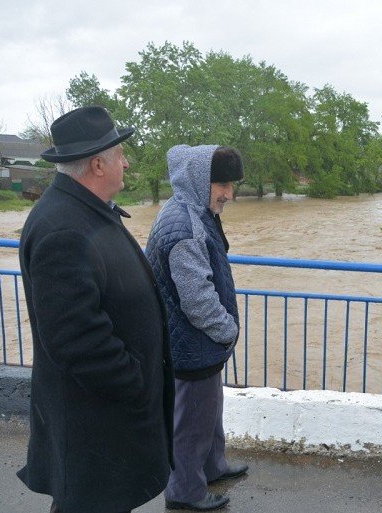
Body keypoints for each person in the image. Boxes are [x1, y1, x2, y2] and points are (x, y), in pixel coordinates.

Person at [17, 106, 174, 513]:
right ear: (99, 164)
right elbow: (75, 338)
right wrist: (134, 383)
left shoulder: (84, 209)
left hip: (106, 418)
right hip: (96, 423)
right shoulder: (63, 229)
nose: (127, 161)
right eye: (121, 154)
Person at [146, 144, 248, 512]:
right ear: (198, 179)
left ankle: (213, 465)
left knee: (209, 408)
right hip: (193, 343)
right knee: (191, 420)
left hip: (195, 343)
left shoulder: (191, 211)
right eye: (222, 184)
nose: (229, 194)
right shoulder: (186, 226)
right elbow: (197, 300)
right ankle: (184, 491)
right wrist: (227, 330)